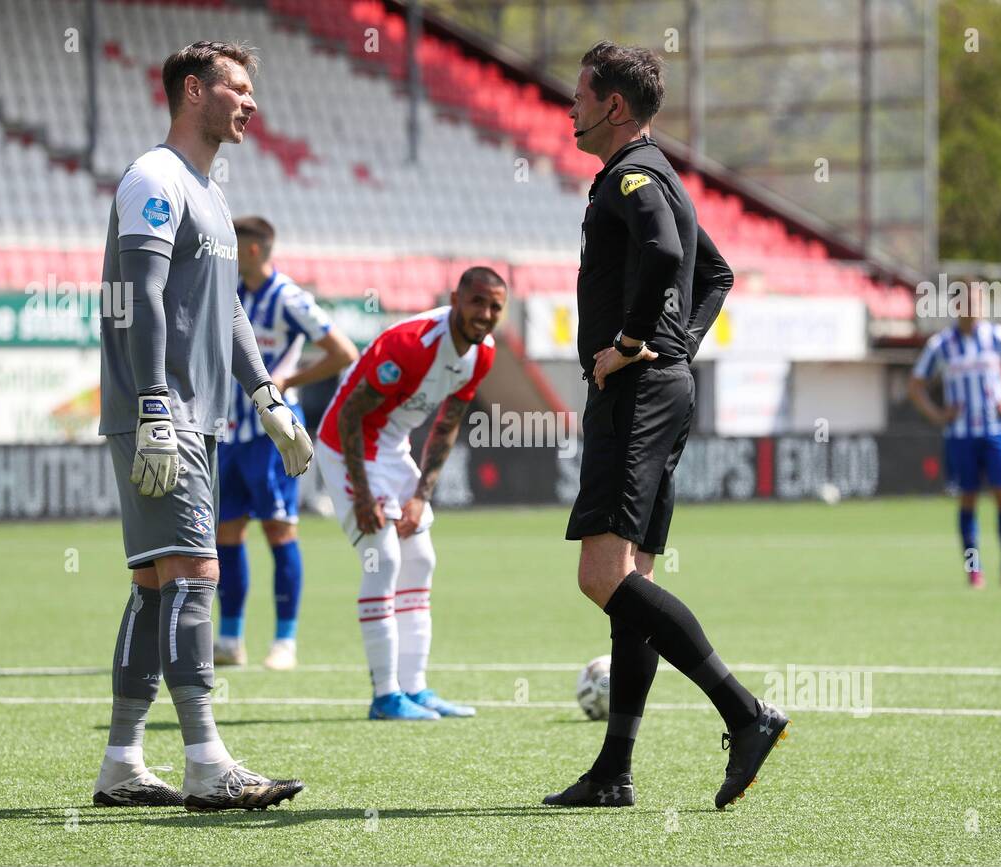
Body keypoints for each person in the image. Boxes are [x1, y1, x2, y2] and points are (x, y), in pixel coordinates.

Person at [543, 41, 787, 811]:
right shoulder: (661, 175)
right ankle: (614, 770)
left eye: (581, 95)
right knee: (635, 581)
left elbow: (667, 252)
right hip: (664, 386)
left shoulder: (634, 177)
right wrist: (677, 344)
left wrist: (630, 344)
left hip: (638, 391)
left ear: (614, 105)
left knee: (601, 576)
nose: (571, 108)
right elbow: (714, 274)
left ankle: (746, 714)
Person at [94, 41, 313, 811]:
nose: (252, 103)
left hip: (196, 415)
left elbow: (224, 309)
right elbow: (145, 294)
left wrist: (267, 396)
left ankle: (122, 763)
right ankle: (206, 762)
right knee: (195, 575)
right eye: (239, 88)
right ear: (195, 90)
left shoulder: (209, 192)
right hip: (164, 415)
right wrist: (154, 401)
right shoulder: (153, 179)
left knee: (156, 587)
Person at [315, 268, 502, 720]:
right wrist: (363, 496)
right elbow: (348, 417)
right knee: (384, 557)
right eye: (477, 302)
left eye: (496, 306)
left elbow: (448, 423)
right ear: (456, 298)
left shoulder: (483, 354)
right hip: (346, 448)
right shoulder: (408, 345)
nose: (486, 314)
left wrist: (420, 496)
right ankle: (385, 696)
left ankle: (414, 689)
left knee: (421, 559)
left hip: (393, 449)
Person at [213, 216, 358, 671]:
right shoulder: (227, 291)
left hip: (272, 437)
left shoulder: (288, 298)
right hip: (227, 431)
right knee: (226, 533)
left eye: (234, 245)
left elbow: (343, 351)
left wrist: (287, 380)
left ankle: (284, 642)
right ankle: (230, 638)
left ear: (253, 249)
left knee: (278, 529)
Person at [908, 279, 1001, 588]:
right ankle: (974, 568)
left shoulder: (996, 337)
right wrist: (938, 415)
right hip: (961, 436)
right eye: (968, 301)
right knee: (968, 498)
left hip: (996, 432)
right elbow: (915, 386)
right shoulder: (941, 345)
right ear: (956, 306)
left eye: (978, 301)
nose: (974, 307)